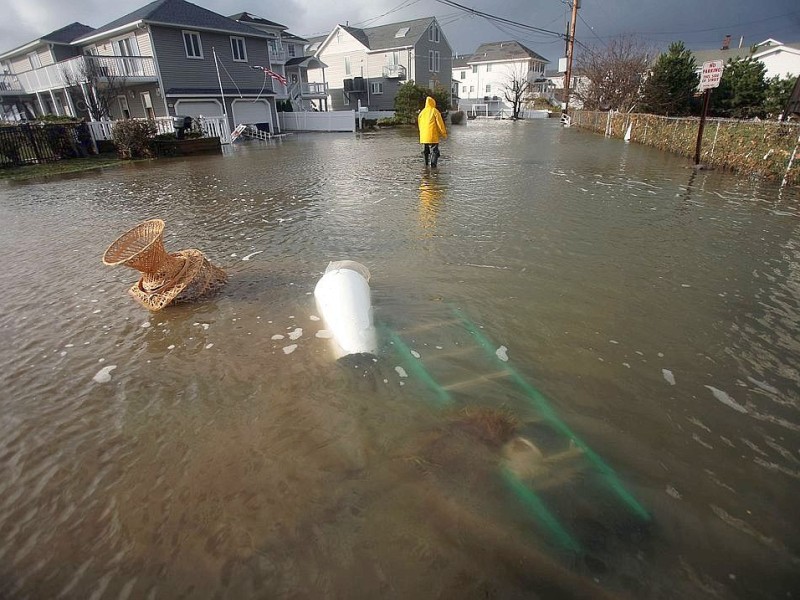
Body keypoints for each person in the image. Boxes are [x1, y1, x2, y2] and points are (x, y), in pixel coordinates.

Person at [418, 96, 447, 167]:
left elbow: (419, 125)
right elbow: (440, 124)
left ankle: (425, 166)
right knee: (434, 151)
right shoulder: (435, 111)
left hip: (423, 137)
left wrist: (421, 134)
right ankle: (433, 167)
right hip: (432, 135)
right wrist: (444, 134)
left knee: (425, 152)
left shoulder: (422, 112)